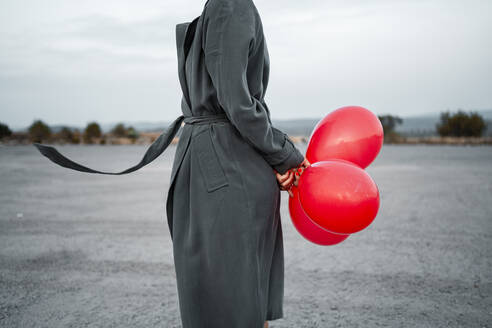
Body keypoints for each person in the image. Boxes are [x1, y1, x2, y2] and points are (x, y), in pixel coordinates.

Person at [33, 0, 310, 327]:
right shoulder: (232, 5)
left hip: (210, 159)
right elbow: (237, 103)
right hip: (227, 164)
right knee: (235, 300)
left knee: (227, 297)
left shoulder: (220, 7)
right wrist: (285, 154)